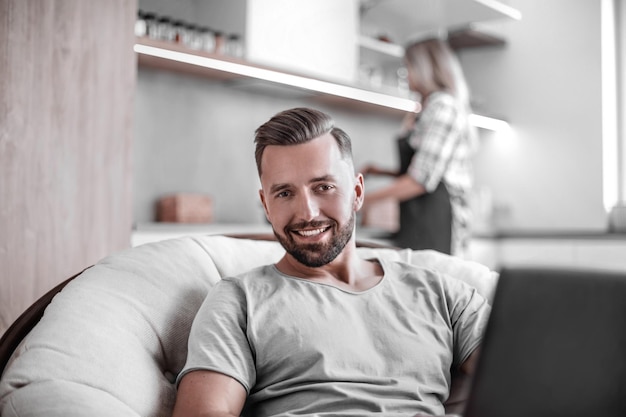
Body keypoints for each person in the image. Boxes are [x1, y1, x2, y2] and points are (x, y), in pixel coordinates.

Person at [172, 107, 490, 417]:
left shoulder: (445, 296)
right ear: (266, 206)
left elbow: (527, 385)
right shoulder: (238, 301)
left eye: (324, 187)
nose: (307, 212)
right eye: (284, 193)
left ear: (356, 192)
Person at [361, 37, 478, 257]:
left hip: (437, 219)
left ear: (426, 68)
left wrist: (362, 200)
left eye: (409, 67)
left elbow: (422, 179)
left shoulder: (443, 107)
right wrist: (382, 171)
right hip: (419, 216)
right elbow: (421, 168)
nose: (406, 74)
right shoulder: (426, 108)